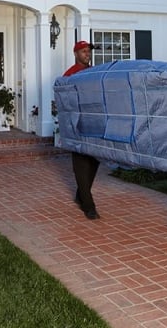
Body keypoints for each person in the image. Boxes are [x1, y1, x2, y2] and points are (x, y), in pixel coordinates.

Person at [64, 40, 100, 220]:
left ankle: (81, 194)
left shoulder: (94, 72)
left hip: (94, 123)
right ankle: (88, 206)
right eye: (84, 51)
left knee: (94, 160)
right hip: (77, 124)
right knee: (80, 164)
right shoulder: (70, 75)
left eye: (88, 51)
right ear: (76, 53)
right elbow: (65, 100)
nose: (87, 54)